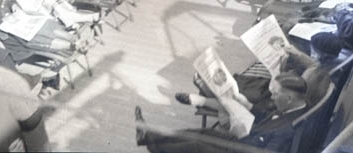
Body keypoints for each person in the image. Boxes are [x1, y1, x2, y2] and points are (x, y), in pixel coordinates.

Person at [135, 69, 329, 153]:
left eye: (274, 94)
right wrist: (248, 105)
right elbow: (268, 117)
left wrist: (240, 132)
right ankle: (149, 137)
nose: (271, 97)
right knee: (201, 133)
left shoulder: (288, 131)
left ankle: (154, 145)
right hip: (246, 141)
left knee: (196, 145)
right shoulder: (298, 105)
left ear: (288, 98)